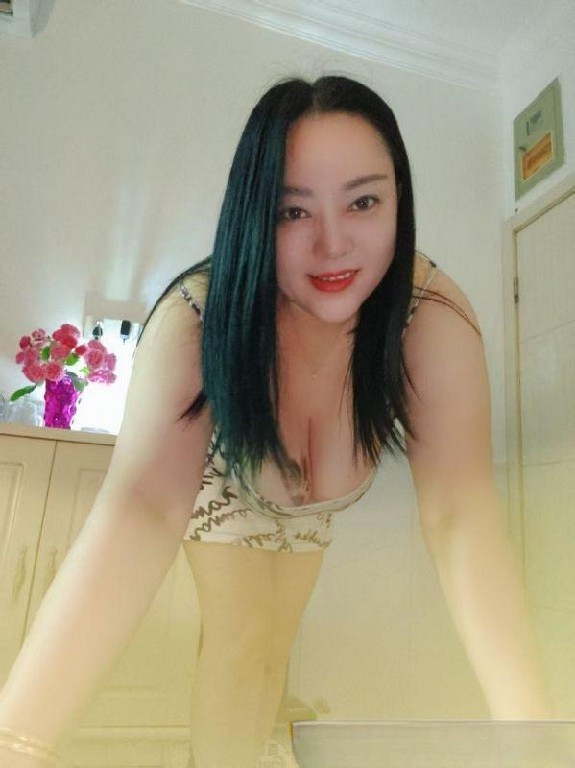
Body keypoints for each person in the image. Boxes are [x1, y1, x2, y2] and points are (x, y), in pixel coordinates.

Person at [0, 75, 551, 768]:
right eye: (292, 212)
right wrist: (21, 739)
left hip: (308, 511)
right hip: (221, 475)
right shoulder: (195, 321)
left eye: (363, 202)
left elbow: (461, 516)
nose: (332, 245)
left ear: (399, 201)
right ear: (254, 216)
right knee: (240, 647)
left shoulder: (429, 318)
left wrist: (534, 730)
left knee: (271, 656)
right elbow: (141, 510)